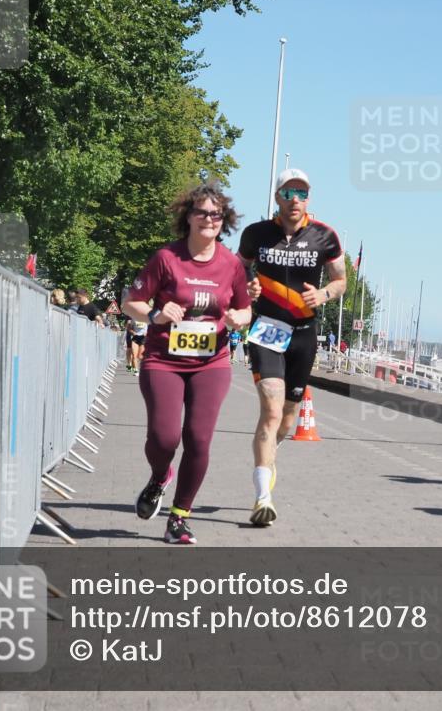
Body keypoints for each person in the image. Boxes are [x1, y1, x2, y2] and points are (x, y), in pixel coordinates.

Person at [122, 182, 252, 544]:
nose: (209, 219)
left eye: (216, 214)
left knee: (198, 439)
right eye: (202, 212)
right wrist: (156, 314)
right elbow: (131, 302)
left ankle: (179, 516)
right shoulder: (167, 259)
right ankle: (159, 476)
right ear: (188, 217)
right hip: (164, 359)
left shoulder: (231, 265)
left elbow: (244, 308)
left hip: (212, 362)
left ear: (223, 219)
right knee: (164, 437)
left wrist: (241, 318)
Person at [238, 169, 347, 527]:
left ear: (308, 199)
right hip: (267, 329)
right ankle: (262, 496)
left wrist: (324, 294)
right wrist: (249, 284)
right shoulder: (257, 234)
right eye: (289, 193)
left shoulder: (325, 236)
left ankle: (271, 453)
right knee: (270, 410)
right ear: (277, 197)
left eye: (302, 193)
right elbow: (239, 269)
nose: (296, 199)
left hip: (304, 332)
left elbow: (340, 280)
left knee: (287, 415)